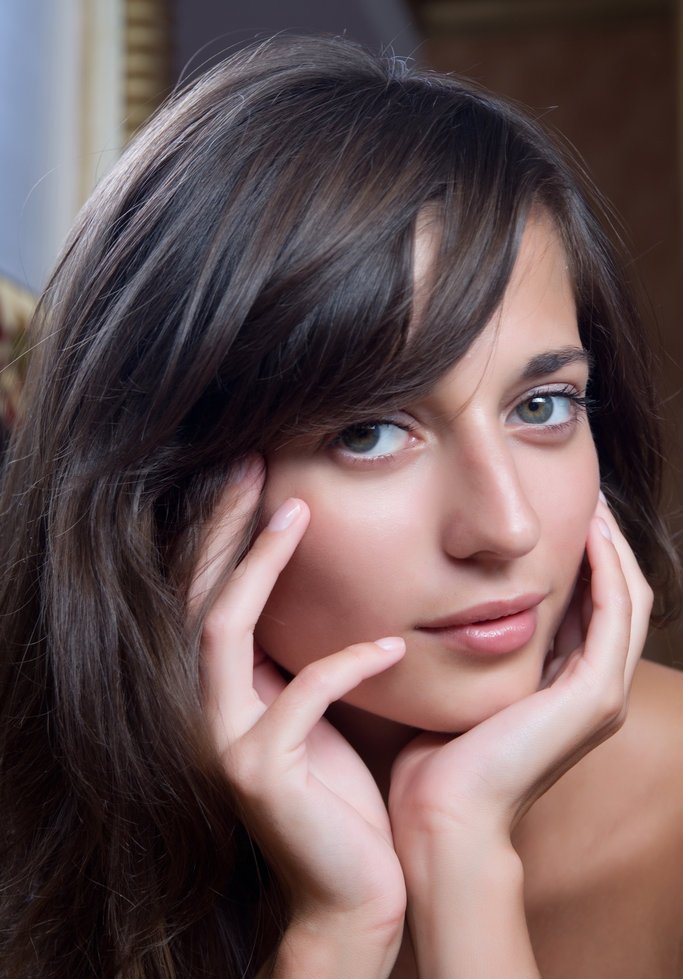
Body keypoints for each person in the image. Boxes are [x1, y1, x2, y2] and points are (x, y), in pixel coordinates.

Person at [1, 33, 681, 979]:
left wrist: (463, 858)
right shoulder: (39, 834)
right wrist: (341, 929)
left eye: (541, 405)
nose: (506, 527)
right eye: (368, 433)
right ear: (174, 488)